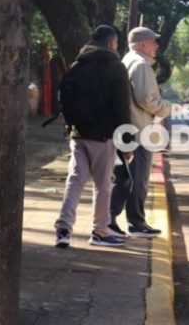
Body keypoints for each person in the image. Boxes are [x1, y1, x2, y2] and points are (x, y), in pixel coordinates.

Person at [54, 25, 132, 248]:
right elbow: (121, 108)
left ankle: (63, 229)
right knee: (103, 185)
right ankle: (100, 230)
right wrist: (126, 144)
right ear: (112, 43)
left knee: (75, 180)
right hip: (102, 134)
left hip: (77, 133)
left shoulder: (78, 64)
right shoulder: (115, 67)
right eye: (116, 43)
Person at [109, 26, 172, 238]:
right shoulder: (141, 65)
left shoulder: (127, 61)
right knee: (138, 179)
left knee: (125, 178)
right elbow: (147, 99)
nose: (156, 46)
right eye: (153, 41)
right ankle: (135, 222)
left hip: (128, 129)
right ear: (142, 44)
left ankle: (114, 220)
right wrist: (167, 108)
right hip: (139, 131)